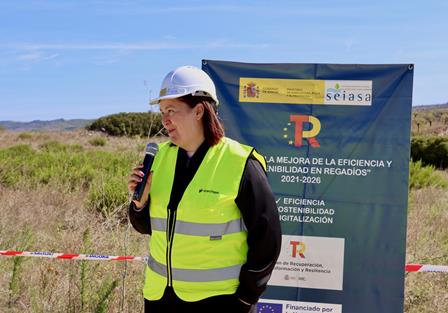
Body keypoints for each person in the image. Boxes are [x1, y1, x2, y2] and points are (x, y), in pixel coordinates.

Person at [127, 65, 281, 313]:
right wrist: (139, 205)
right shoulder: (159, 159)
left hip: (220, 302)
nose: (165, 119)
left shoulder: (241, 163)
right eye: (162, 111)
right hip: (160, 299)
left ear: (199, 110)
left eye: (172, 110)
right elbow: (145, 227)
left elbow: (267, 239)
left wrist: (246, 298)